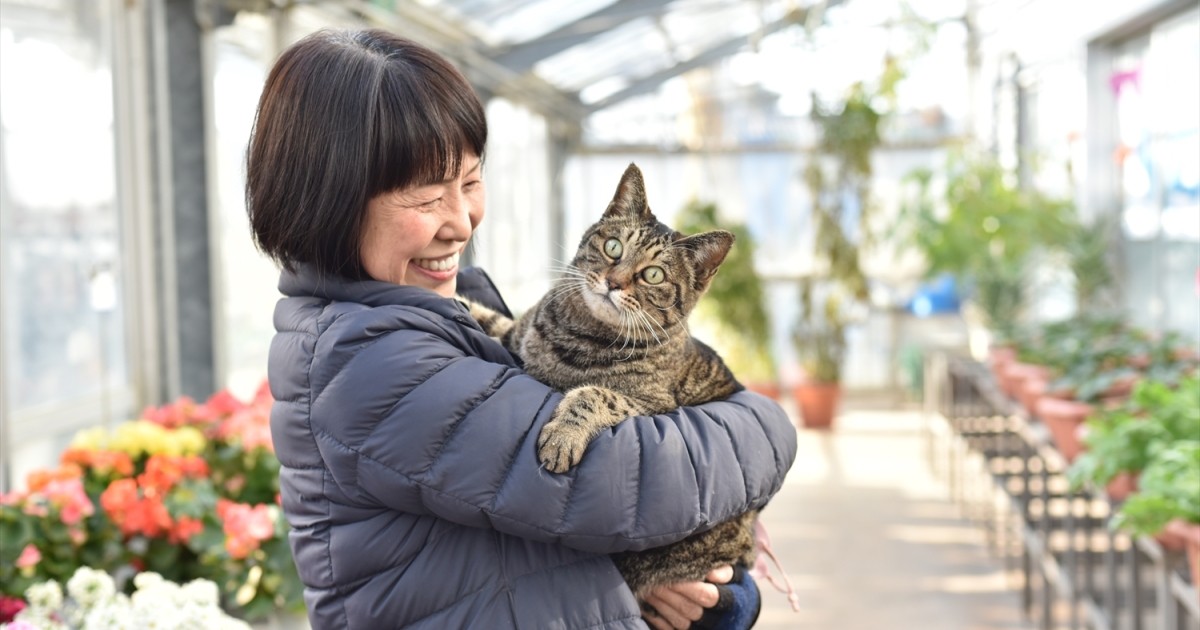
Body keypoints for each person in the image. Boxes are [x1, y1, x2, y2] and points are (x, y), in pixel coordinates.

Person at [246, 27, 797, 630]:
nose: (461, 221)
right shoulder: (367, 364)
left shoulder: (431, 310)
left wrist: (703, 592)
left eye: (472, 182)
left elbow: (529, 545)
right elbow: (627, 487)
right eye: (426, 196)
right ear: (329, 199)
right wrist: (766, 422)